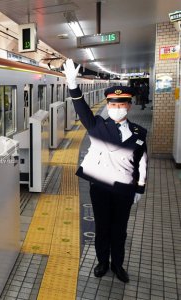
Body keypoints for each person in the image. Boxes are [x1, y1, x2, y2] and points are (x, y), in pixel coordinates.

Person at [62, 59, 148, 283]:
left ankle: (117, 265)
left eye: (121, 104)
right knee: (101, 228)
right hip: (99, 189)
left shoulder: (139, 132)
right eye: (112, 104)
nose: (117, 108)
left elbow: (142, 162)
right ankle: (102, 262)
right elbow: (81, 109)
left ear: (129, 105)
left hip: (125, 191)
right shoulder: (97, 125)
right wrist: (73, 85)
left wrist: (140, 189)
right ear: (107, 105)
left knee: (119, 230)